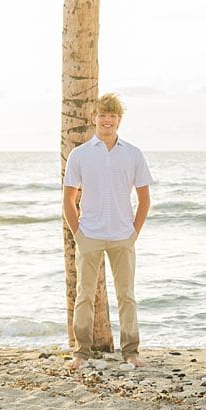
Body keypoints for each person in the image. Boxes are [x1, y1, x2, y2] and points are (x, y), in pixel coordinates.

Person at [62, 93, 153, 371]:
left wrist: (132, 233)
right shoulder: (80, 155)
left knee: (126, 295)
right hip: (89, 236)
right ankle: (81, 353)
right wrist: (78, 234)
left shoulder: (133, 154)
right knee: (85, 295)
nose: (107, 120)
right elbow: (68, 200)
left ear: (119, 120)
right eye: (103, 115)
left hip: (122, 237)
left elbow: (144, 198)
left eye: (112, 115)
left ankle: (131, 351)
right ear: (94, 118)